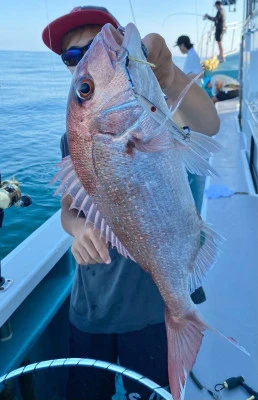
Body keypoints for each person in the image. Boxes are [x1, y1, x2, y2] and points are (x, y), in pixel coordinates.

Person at [42, 6, 220, 400]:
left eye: (98, 43)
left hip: (152, 308)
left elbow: (209, 125)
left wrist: (170, 74)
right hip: (89, 307)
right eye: (74, 58)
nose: (86, 58)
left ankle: (183, 316)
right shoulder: (77, 138)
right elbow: (69, 209)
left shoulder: (157, 111)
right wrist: (78, 227)